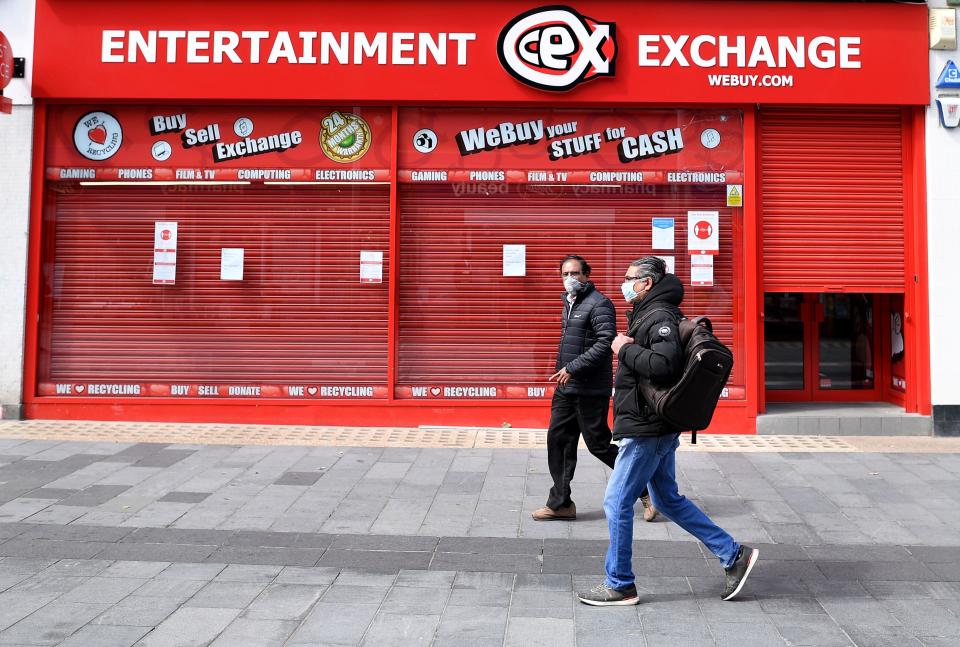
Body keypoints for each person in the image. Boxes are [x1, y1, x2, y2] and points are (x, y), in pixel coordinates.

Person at [577, 256, 757, 605]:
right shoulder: (651, 311)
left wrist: (624, 348)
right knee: (666, 499)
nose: (624, 284)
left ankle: (620, 583)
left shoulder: (658, 315)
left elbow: (663, 365)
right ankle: (733, 555)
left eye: (629, 278)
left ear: (647, 282)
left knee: (616, 502)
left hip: (647, 426)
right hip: (656, 423)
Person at [532, 255, 657, 522]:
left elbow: (604, 344)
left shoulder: (599, 304)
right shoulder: (570, 302)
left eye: (575, 273)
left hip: (589, 388)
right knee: (559, 442)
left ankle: (647, 490)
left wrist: (573, 368)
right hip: (566, 388)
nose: (570, 279)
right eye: (565, 274)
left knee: (599, 445)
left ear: (587, 275)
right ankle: (561, 503)